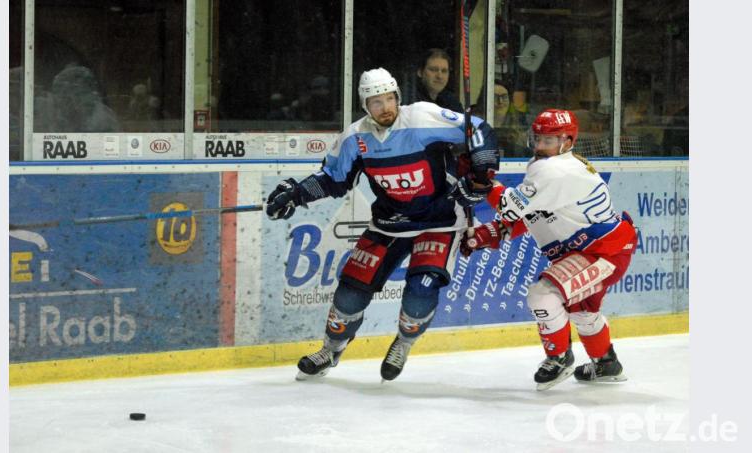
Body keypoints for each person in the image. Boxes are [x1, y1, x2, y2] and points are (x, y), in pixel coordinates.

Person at [266, 68, 498, 381]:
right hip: (389, 223)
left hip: (439, 221)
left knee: (420, 296)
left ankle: (404, 342)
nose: (385, 107)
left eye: (390, 99)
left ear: (398, 98)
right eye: (376, 102)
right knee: (349, 295)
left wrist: (482, 168)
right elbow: (333, 179)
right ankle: (331, 350)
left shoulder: (422, 117)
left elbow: (477, 129)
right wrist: (296, 193)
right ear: (365, 105)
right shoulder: (355, 137)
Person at [461, 109, 638, 391]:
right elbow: (533, 214)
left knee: (543, 294)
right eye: (537, 139)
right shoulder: (554, 165)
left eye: (548, 140)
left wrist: (485, 182)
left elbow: (511, 206)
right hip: (605, 250)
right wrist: (492, 232)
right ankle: (606, 364)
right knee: (580, 310)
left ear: (567, 141)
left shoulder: (555, 170)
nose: (540, 146)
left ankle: (559, 358)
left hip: (602, 253)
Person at [410, 49, 463, 113]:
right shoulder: (409, 98)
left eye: (444, 71)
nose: (439, 76)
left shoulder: (451, 100)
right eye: (433, 70)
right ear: (420, 72)